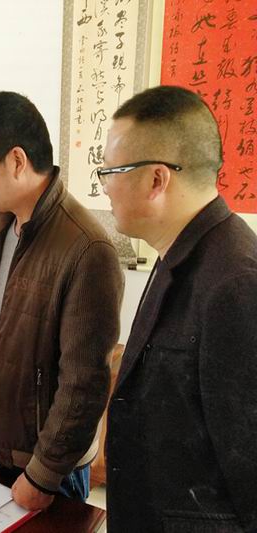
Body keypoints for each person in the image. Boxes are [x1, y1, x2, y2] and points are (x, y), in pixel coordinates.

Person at [0, 92, 124, 510]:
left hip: (43, 465)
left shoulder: (87, 249)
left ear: (16, 160)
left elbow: (83, 383)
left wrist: (43, 474)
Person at [102, 85, 257, 532]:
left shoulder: (235, 283)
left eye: (111, 170)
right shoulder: (181, 252)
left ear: (157, 179)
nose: (105, 186)